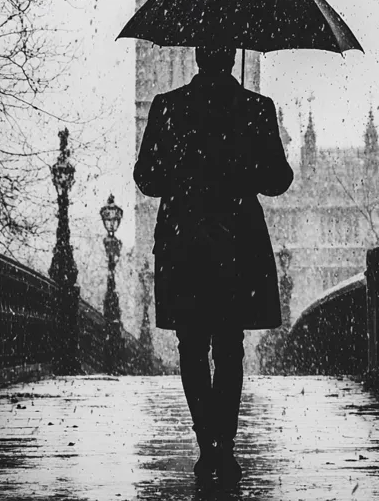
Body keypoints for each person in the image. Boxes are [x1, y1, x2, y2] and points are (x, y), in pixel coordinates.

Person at [134, 45, 293, 488]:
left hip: (185, 243)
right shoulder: (256, 109)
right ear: (231, 58)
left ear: (198, 57)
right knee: (228, 345)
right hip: (237, 241)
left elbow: (146, 177)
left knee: (191, 344)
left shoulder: (167, 106)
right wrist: (244, 163)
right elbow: (278, 179)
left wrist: (183, 178)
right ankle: (225, 444)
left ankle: (207, 445)